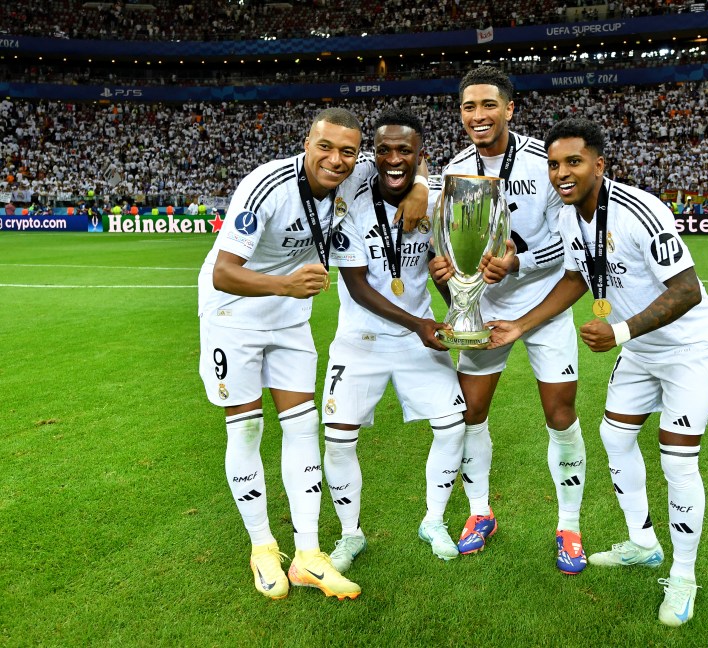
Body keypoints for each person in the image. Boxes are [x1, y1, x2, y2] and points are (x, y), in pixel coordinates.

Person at [487, 119, 708, 627]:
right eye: (553, 164)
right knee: (614, 438)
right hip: (640, 350)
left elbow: (686, 291)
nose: (561, 173)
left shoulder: (641, 210)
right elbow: (576, 278)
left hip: (689, 348)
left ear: (599, 163)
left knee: (678, 462)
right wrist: (520, 326)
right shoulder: (572, 219)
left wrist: (619, 333)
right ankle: (643, 543)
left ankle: (683, 576)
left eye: (573, 162)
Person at [197, 107, 427, 601]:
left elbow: (406, 165)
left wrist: (422, 188)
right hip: (232, 312)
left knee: (301, 427)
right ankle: (262, 547)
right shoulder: (267, 185)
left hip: (289, 316)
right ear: (307, 144)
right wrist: (285, 283)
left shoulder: (355, 173)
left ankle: (308, 555)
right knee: (248, 425)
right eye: (325, 147)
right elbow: (223, 271)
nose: (336, 160)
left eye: (348, 151)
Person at [429, 66, 588, 574]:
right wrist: (448, 272)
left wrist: (518, 261)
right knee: (470, 412)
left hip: (542, 307)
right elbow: (447, 242)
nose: (479, 115)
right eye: (469, 107)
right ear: (461, 113)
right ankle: (480, 513)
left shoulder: (545, 162)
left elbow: (571, 243)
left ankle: (569, 525)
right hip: (483, 308)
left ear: (510, 109)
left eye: (489, 105)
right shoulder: (454, 170)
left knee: (560, 414)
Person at [320, 108, 466, 572]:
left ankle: (434, 521)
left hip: (417, 337)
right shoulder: (351, 199)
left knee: (452, 426)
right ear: (373, 154)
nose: (394, 158)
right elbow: (359, 287)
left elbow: (444, 271)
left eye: (405, 150)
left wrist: (455, 302)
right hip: (360, 338)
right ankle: (350, 534)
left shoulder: (438, 196)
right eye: (384, 149)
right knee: (338, 441)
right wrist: (421, 325)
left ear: (421, 156)